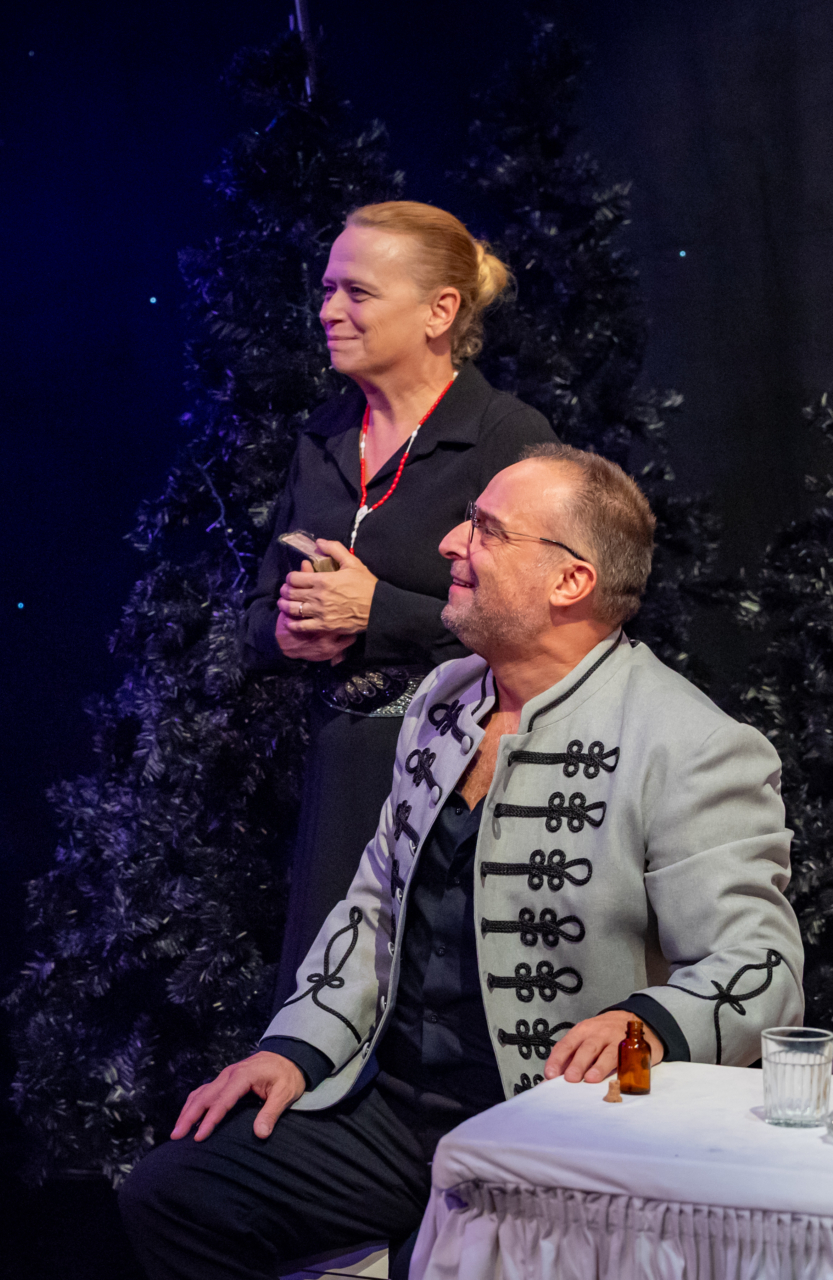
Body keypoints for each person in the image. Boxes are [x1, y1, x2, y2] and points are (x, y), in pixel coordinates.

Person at [122, 445, 805, 1280]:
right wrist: (295, 1049)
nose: (450, 542)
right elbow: (373, 906)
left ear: (571, 581)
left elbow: (760, 965)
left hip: (548, 1130)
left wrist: (646, 1025)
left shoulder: (691, 743)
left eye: (487, 529)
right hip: (389, 1113)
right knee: (175, 1194)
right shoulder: (446, 700)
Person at [245, 201, 557, 1004]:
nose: (328, 311)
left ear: (439, 311)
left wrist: (376, 611)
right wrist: (287, 632)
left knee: (426, 1012)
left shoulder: (504, 437)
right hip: (338, 771)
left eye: (357, 292)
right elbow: (254, 612)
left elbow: (542, 628)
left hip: (454, 776)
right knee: (324, 1009)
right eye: (327, 289)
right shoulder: (321, 437)